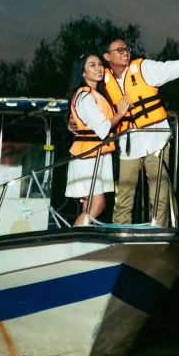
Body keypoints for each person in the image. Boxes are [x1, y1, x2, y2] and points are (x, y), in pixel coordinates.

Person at [99, 37, 179, 226]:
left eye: (126, 49)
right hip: (129, 143)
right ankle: (120, 233)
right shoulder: (102, 80)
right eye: (119, 50)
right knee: (124, 194)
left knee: (159, 191)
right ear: (107, 56)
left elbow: (177, 67)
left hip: (156, 140)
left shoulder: (143, 69)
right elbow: (87, 100)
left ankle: (158, 231)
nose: (125, 52)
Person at [65, 53, 130, 226]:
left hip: (95, 155)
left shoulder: (94, 95)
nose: (99, 68)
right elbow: (103, 128)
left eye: (100, 64)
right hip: (89, 157)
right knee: (98, 205)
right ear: (83, 73)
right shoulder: (85, 97)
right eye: (92, 65)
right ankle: (74, 238)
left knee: (88, 208)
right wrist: (120, 114)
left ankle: (80, 239)